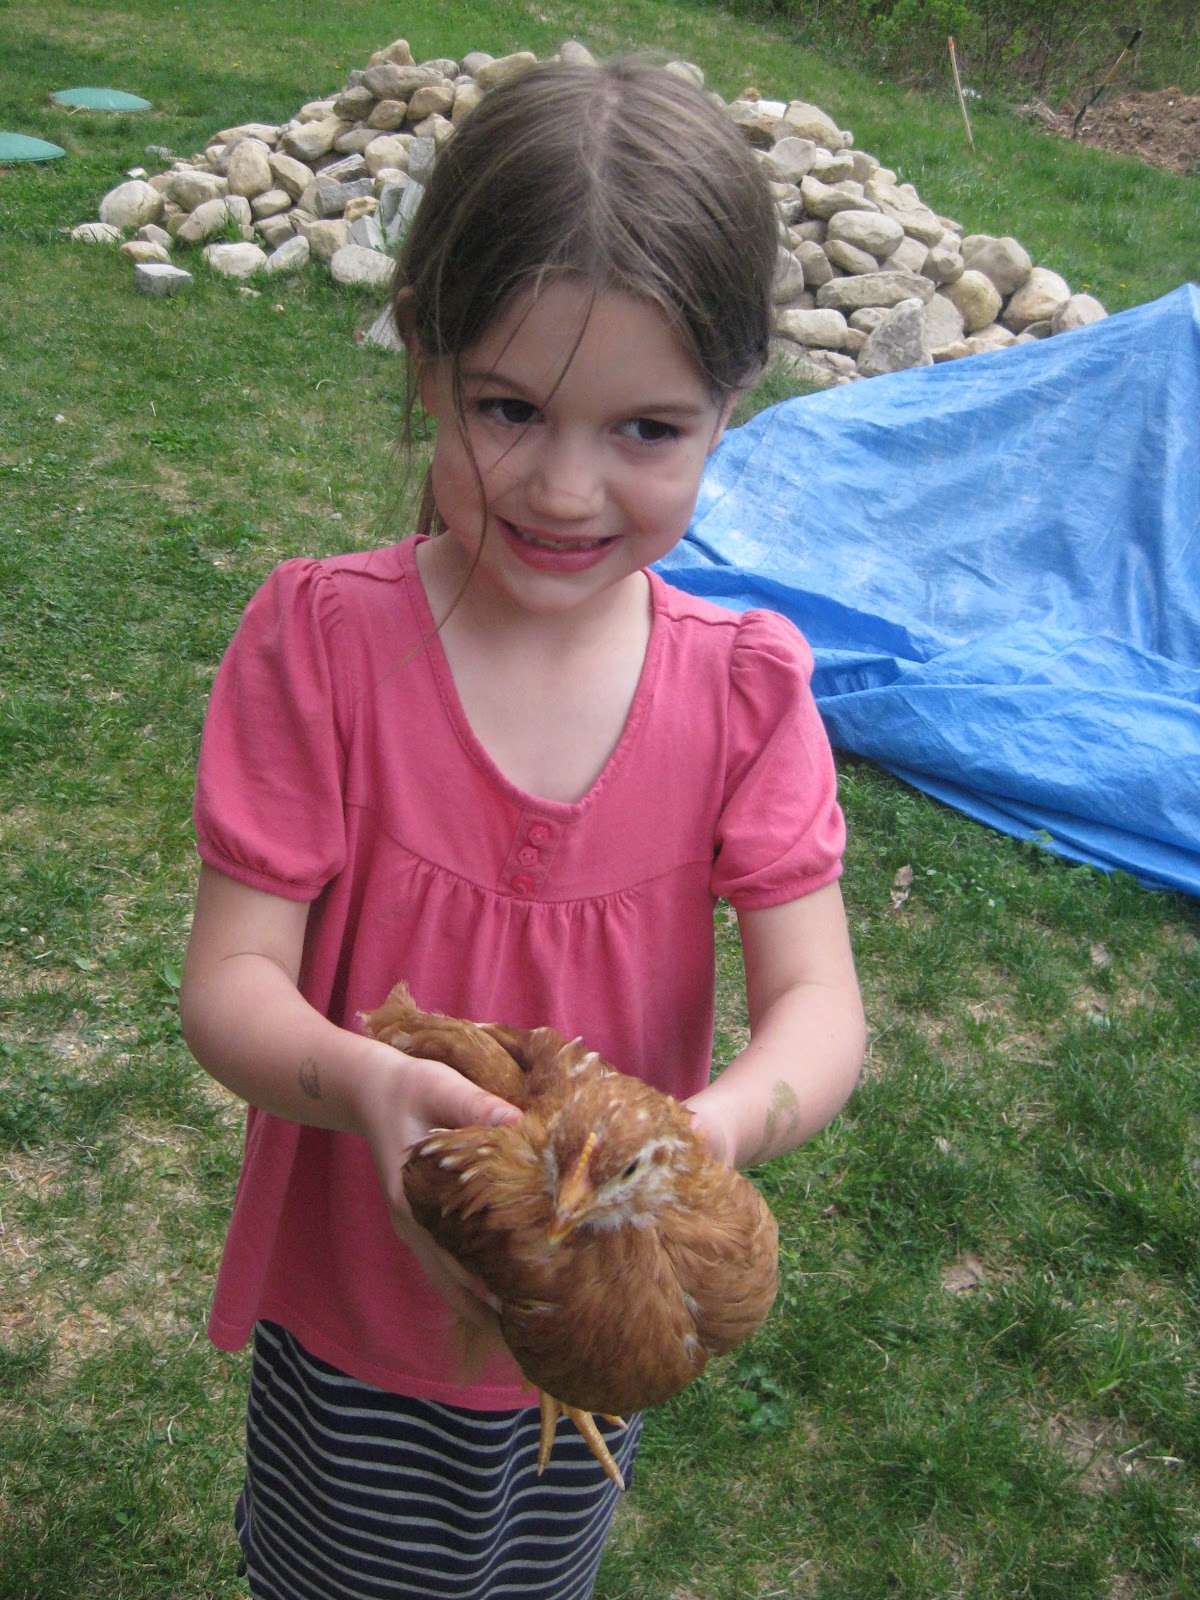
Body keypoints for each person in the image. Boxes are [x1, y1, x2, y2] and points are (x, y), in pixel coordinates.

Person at [180, 53, 866, 1600]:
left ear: (731, 408)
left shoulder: (747, 691)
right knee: (340, 1570)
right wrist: (366, 1082)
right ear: (423, 359)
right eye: (510, 409)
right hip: (363, 1299)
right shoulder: (321, 648)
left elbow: (822, 1008)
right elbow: (229, 986)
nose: (565, 488)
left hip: (608, 1304)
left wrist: (707, 1138)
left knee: (537, 1568)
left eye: (647, 429)